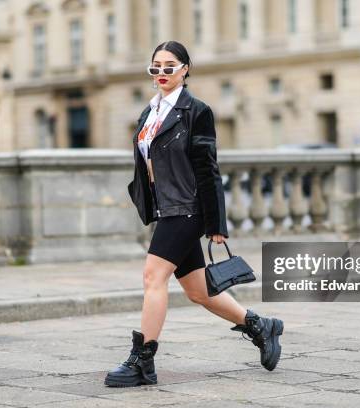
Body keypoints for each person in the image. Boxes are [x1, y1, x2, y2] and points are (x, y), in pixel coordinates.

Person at [104, 41, 284, 387]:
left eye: (169, 67)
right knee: (199, 291)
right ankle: (261, 326)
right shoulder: (150, 111)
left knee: (152, 277)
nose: (161, 73)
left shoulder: (196, 111)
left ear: (185, 69)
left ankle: (143, 361)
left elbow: (207, 168)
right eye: (155, 67)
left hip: (187, 208)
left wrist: (216, 222)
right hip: (165, 207)